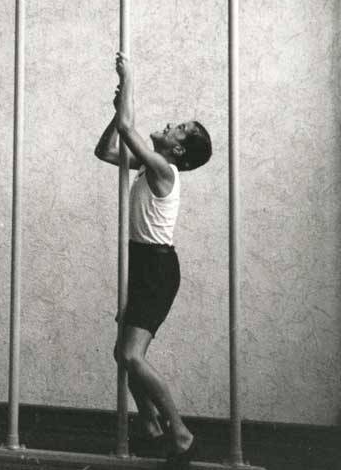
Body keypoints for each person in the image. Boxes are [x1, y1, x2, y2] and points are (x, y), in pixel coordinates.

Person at [93, 53, 212, 465]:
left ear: (178, 148)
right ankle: (150, 425)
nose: (168, 125)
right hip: (145, 265)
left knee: (130, 356)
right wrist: (115, 111)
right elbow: (106, 148)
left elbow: (129, 128)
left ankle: (179, 433)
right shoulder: (149, 167)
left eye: (177, 127)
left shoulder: (165, 171)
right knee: (121, 354)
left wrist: (129, 81)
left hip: (159, 270)